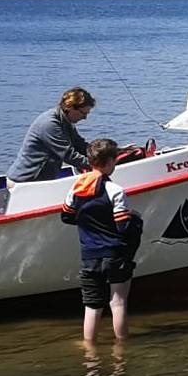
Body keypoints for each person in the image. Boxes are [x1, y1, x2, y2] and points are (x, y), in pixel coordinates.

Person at [60, 138, 142, 344]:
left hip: (89, 256)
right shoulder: (115, 191)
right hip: (115, 254)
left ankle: (90, 352)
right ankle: (121, 349)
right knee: (118, 303)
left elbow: (66, 217)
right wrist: (135, 216)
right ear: (110, 163)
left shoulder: (76, 188)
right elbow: (123, 226)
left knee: (92, 306)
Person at [9, 87, 95, 183]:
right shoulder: (50, 124)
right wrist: (99, 166)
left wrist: (105, 155)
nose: (85, 118)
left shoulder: (66, 122)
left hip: (41, 180)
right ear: (70, 107)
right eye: (83, 113)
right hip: (25, 181)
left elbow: (80, 145)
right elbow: (68, 155)